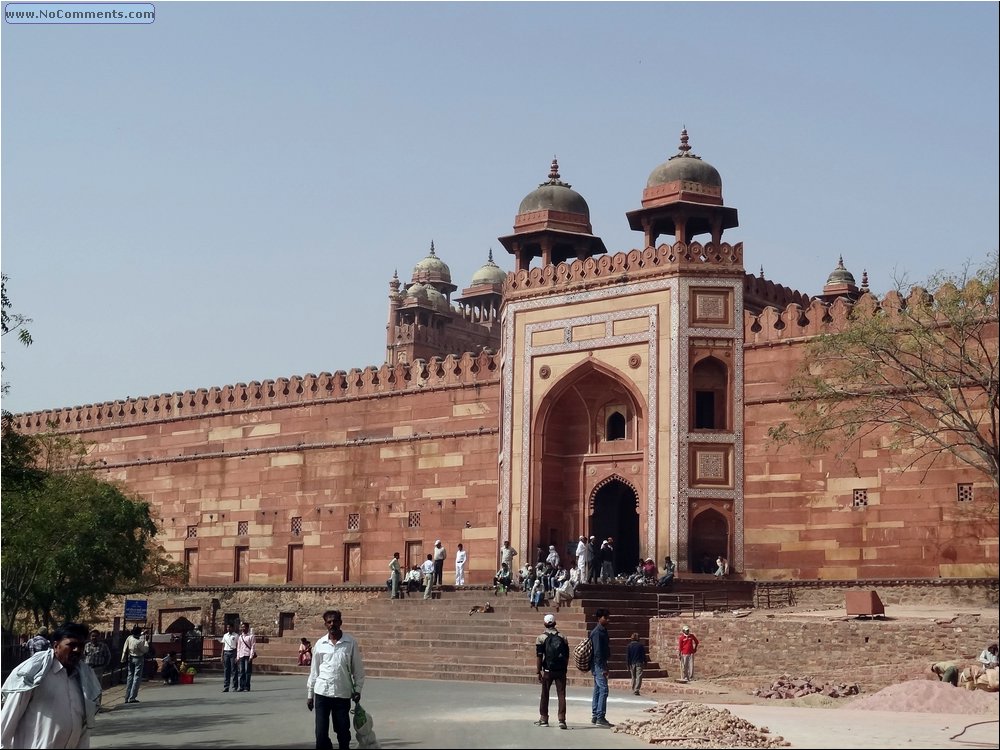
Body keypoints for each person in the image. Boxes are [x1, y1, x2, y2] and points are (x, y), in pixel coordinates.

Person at [1, 622, 103, 749]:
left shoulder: (83, 679)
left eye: (81, 646)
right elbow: (6, 722)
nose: (77, 650)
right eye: (72, 645)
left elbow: (83, 728)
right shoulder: (33, 675)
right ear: (56, 646)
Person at [306, 609, 365, 750]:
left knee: (343, 732)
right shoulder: (320, 644)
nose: (332, 624)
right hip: (322, 693)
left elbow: (358, 670)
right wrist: (310, 694)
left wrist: (357, 690)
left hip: (342, 694)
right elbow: (314, 671)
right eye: (329, 622)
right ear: (325, 624)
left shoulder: (350, 643)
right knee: (320, 733)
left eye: (335, 621)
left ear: (340, 622)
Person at [534, 613, 569, 730]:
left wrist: (538, 671)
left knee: (545, 694)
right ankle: (562, 720)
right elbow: (567, 656)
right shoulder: (563, 637)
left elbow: (539, 656)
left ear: (544, 623)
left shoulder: (541, 638)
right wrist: (564, 668)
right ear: (555, 623)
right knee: (561, 694)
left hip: (548, 670)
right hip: (560, 670)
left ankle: (544, 718)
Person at [589, 608, 612, 727]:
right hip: (598, 663)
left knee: (598, 689)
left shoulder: (602, 631)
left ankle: (595, 715)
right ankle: (600, 716)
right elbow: (598, 651)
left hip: (600, 663)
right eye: (605, 617)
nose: (608, 619)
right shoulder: (598, 632)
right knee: (604, 689)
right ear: (599, 618)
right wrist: (602, 667)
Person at [121, 625, 148, 703]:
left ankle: (127, 696)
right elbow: (145, 650)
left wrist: (142, 633)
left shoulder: (129, 638)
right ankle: (132, 697)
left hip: (130, 658)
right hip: (138, 659)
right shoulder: (138, 642)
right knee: (136, 678)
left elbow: (135, 636)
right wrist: (146, 641)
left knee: (130, 677)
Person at [236, 622, 257, 692]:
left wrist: (251, 656)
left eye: (244, 627)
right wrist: (237, 657)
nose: (243, 628)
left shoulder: (251, 636)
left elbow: (253, 647)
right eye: (242, 627)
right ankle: (241, 686)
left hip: (248, 655)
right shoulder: (240, 637)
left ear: (247, 628)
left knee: (247, 671)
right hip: (242, 655)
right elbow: (239, 647)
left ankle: (247, 686)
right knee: (241, 671)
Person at [219, 621, 238, 692]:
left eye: (229, 627)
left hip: (233, 652)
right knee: (226, 670)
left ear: (232, 628)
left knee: (234, 670)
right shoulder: (225, 635)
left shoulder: (236, 635)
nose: (228, 628)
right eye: (227, 627)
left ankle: (234, 686)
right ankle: (226, 686)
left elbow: (238, 646)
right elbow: (223, 645)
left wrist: (237, 655)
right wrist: (221, 655)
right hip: (226, 652)